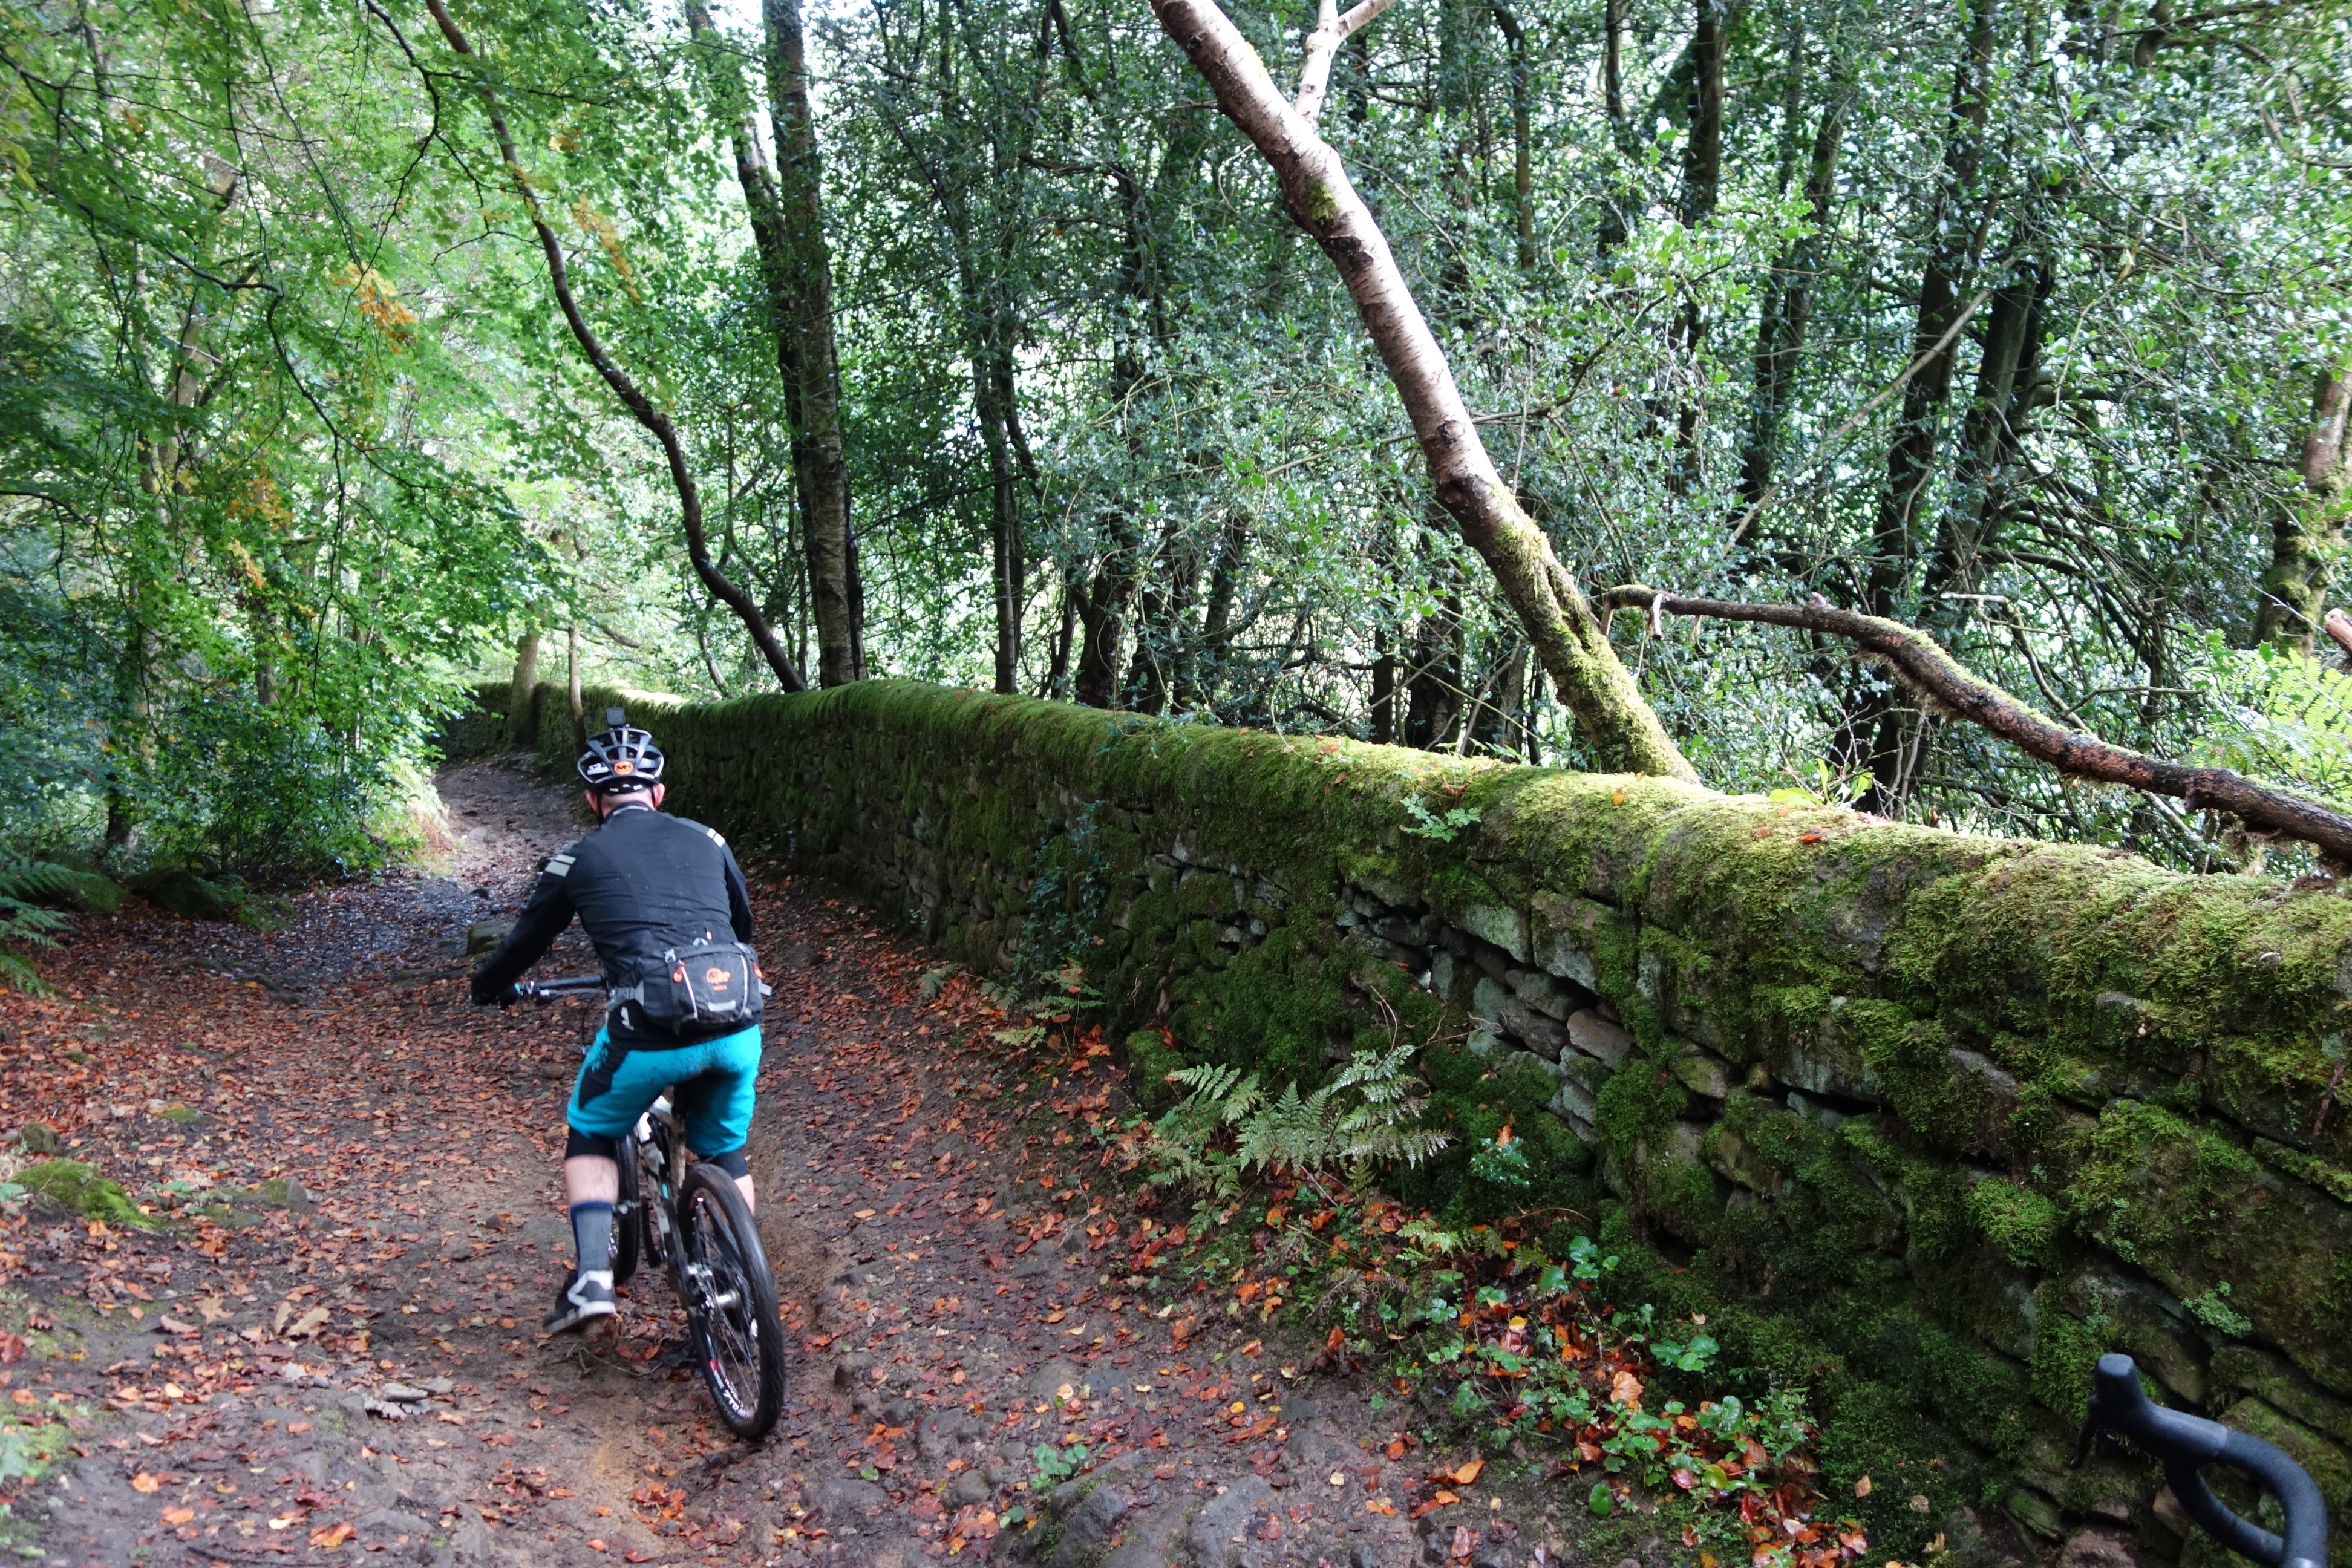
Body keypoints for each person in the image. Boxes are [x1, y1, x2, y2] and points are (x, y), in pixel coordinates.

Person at [469, 710, 763, 1334]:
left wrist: (487, 986)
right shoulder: (708, 839)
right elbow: (742, 925)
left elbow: (524, 942)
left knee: (591, 1127)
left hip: (649, 1032)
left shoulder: (576, 858)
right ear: (659, 793)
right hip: (737, 1021)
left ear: (592, 800)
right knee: (727, 1148)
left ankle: (593, 1280)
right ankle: (741, 1281)